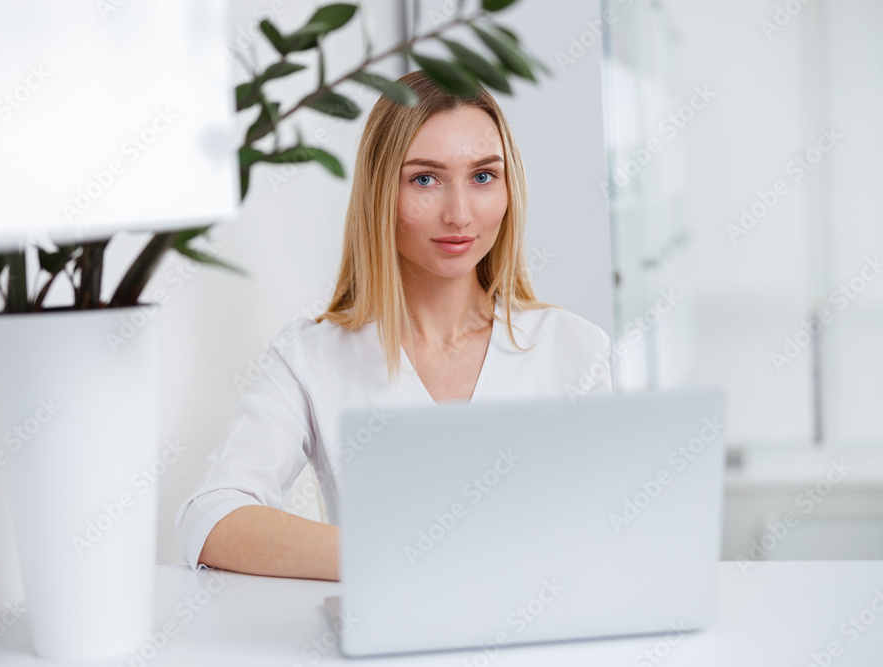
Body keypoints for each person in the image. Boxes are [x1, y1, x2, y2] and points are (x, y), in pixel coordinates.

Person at [174, 69, 612, 582]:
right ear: (381, 191)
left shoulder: (575, 348)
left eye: (483, 176)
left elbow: (610, 527)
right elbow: (210, 519)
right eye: (424, 179)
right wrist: (402, 555)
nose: (459, 214)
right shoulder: (312, 357)